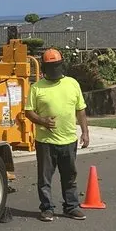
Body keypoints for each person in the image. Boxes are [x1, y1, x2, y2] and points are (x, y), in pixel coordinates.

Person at [24, 48, 90, 221]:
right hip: (45, 141)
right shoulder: (36, 88)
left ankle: (71, 206)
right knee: (45, 178)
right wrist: (42, 121)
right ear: (45, 68)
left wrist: (85, 132)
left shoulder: (72, 83)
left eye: (57, 66)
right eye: (51, 67)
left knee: (69, 176)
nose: (54, 70)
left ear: (62, 66)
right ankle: (47, 208)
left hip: (69, 139)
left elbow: (80, 110)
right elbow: (29, 112)